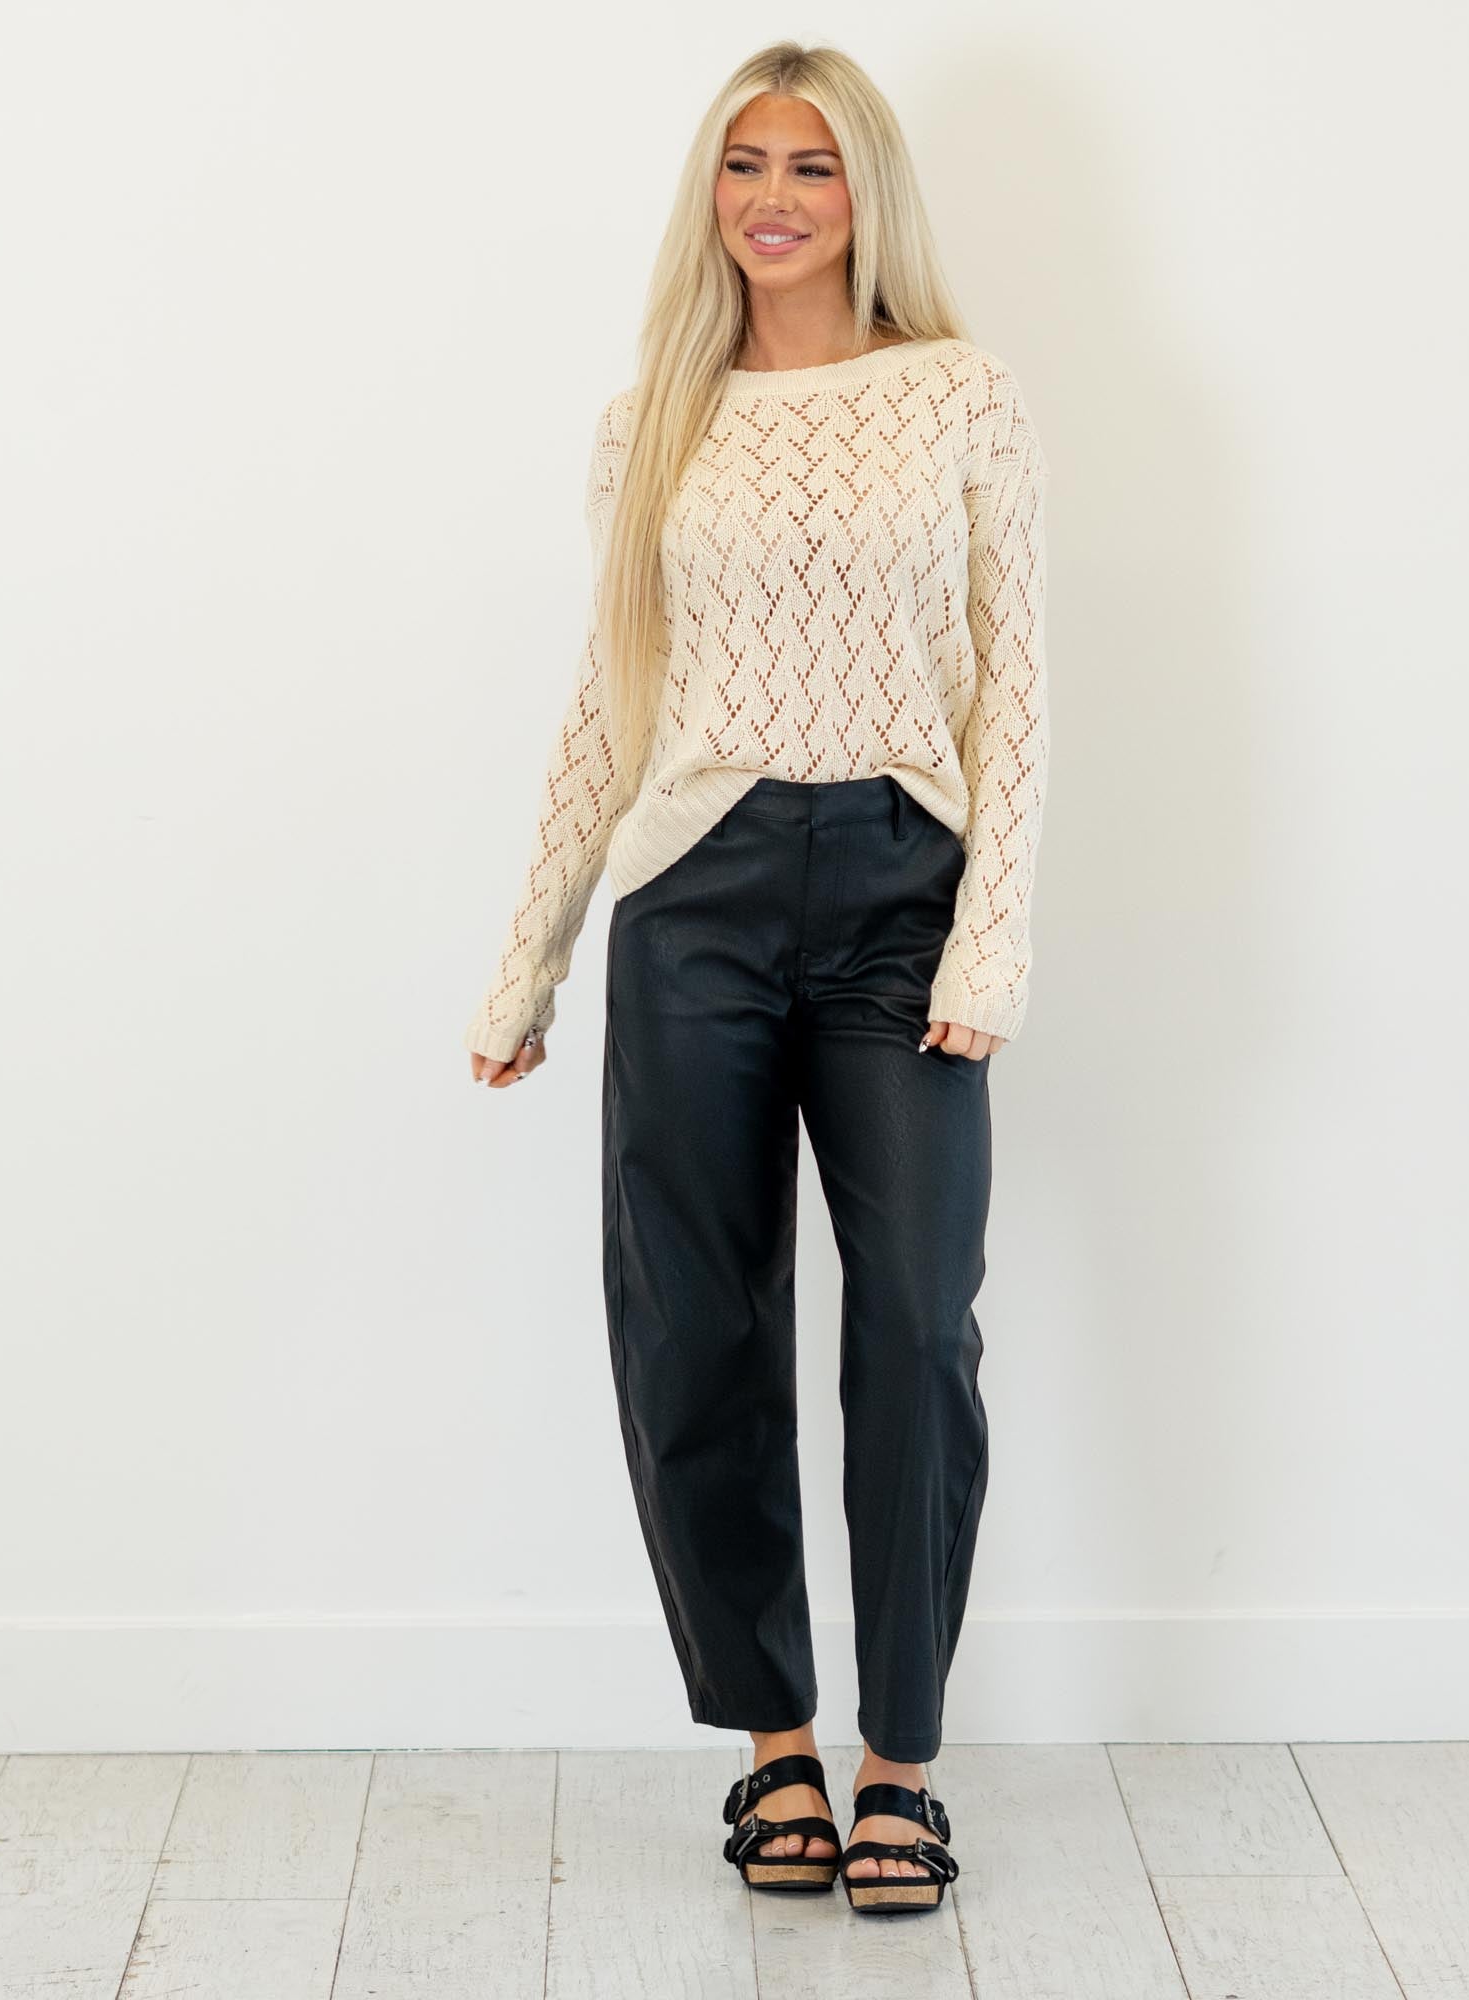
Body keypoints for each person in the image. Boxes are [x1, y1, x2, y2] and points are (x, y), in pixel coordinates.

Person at [464, 40, 1050, 1917]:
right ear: (709, 195)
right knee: (695, 1328)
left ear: (867, 191)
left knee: (917, 1327)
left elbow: (1018, 685)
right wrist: (533, 953)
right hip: (695, 901)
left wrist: (994, 932)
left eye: (812, 164)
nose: (775, 198)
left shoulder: (958, 394)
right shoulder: (652, 420)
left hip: (900, 896)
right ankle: (775, 1748)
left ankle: (904, 1765)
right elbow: (609, 698)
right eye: (744, 164)